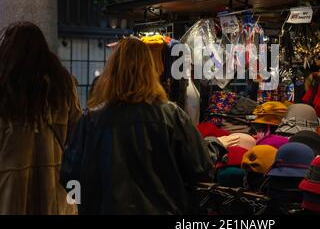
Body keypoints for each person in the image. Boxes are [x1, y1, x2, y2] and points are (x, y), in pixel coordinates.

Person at [60, 37, 214, 215]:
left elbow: (70, 176)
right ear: (151, 70)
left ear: (111, 71)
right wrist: (214, 146)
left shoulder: (91, 120)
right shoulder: (171, 115)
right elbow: (202, 169)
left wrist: (84, 205)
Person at [0, 21, 82, 214]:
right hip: (54, 192)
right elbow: (77, 137)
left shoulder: (4, 88)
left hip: (9, 195)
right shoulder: (63, 85)